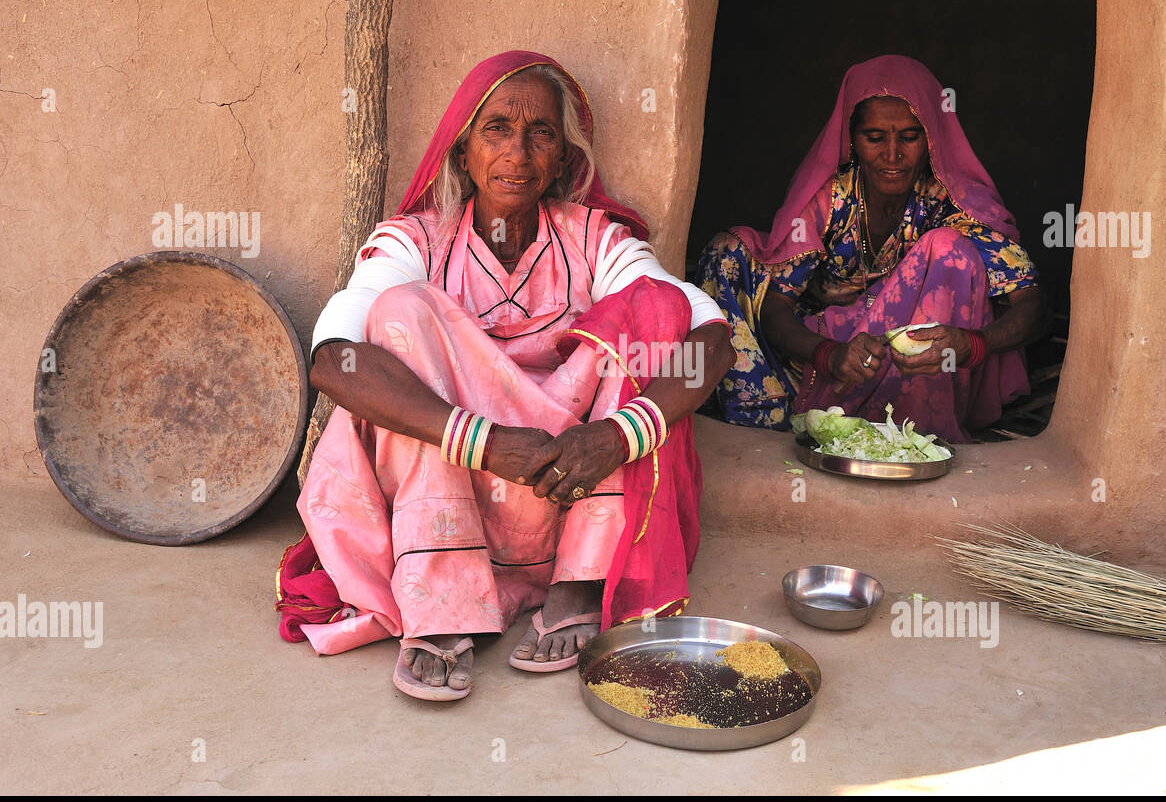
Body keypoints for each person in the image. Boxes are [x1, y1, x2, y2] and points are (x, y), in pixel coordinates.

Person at [275, 51, 734, 701]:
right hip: (456, 479)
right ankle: (442, 603)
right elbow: (334, 360)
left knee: (650, 310)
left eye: (540, 132)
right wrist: (486, 442)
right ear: (464, 152)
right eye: (497, 129)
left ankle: (579, 581)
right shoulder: (417, 242)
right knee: (398, 313)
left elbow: (710, 338)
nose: (517, 152)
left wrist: (616, 437)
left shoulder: (595, 240)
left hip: (568, 477)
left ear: (563, 161)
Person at [695, 55, 1047, 442]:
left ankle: (913, 424)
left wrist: (972, 345)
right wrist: (830, 355)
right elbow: (776, 307)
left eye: (910, 137)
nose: (892, 154)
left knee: (950, 249)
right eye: (875, 138)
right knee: (726, 250)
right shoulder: (832, 198)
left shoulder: (952, 202)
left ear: (931, 138)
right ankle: (768, 414)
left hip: (915, 374)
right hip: (826, 361)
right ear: (852, 139)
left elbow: (1031, 303)